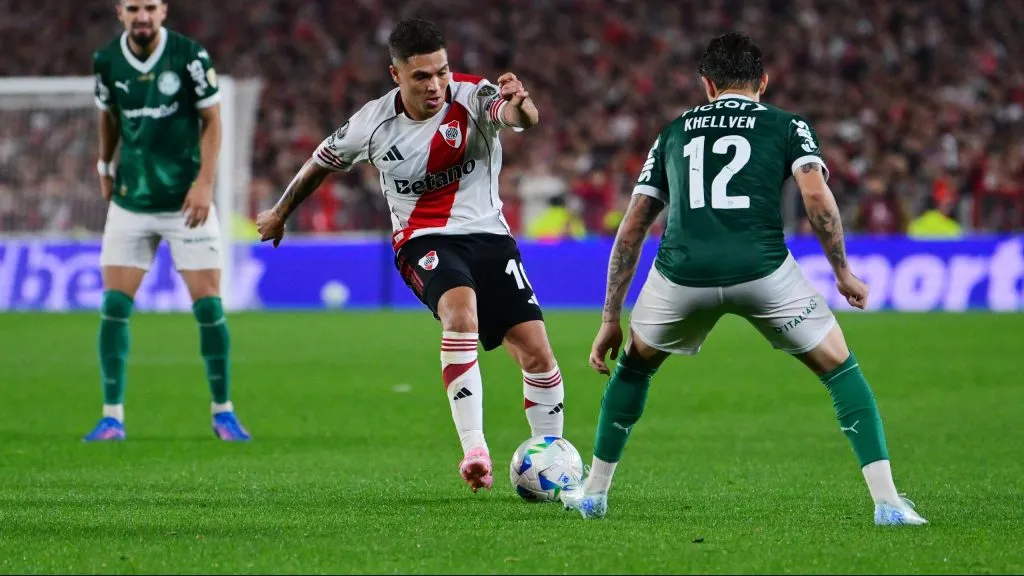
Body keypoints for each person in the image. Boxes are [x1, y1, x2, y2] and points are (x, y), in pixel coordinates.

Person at [560, 32, 926, 525]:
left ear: (707, 84)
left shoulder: (673, 132)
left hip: (680, 276)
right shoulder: (787, 125)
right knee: (840, 371)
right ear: (764, 82)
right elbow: (816, 198)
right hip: (764, 272)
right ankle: (888, 504)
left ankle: (593, 494)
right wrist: (842, 270)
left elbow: (632, 227)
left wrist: (609, 317)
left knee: (634, 369)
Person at [255, 18, 566, 492]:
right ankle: (475, 450)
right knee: (461, 314)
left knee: (537, 352)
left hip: (489, 236)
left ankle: (552, 460)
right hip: (423, 239)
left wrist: (522, 105)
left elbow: (518, 118)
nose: (436, 85)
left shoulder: (472, 95)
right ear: (395, 75)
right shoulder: (372, 123)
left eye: (441, 71)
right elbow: (320, 160)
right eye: (422, 76)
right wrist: (280, 212)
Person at [84, 0, 250, 442]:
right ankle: (111, 416)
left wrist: (204, 183)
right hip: (131, 202)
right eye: (134, 7)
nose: (143, 15)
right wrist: (103, 165)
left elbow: (212, 120)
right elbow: (109, 115)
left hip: (185, 203)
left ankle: (223, 412)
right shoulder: (106, 61)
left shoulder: (189, 55)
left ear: (164, 11)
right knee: (115, 306)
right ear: (119, 11)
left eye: (151, 7)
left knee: (210, 307)